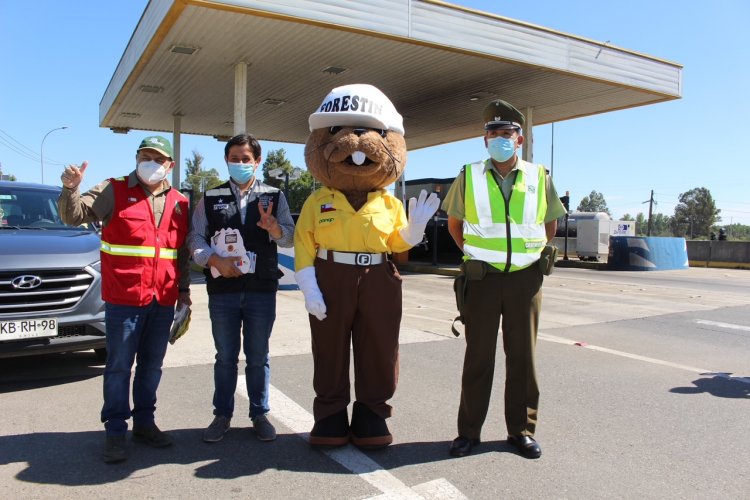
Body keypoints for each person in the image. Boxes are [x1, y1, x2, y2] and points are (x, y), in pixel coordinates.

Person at [442, 100, 566, 459]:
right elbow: (454, 225)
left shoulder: (539, 176)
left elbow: (550, 223)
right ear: (484, 140)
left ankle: (521, 432)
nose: (499, 138)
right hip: (482, 279)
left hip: (525, 281)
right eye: (492, 133)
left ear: (520, 138)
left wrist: (531, 252)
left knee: (523, 358)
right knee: (478, 357)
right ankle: (468, 433)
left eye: (506, 133)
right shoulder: (469, 175)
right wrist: (478, 254)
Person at [57, 135, 191, 464]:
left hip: (163, 298)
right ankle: (115, 431)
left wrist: (184, 294)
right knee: (118, 367)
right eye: (146, 156)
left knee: (151, 367)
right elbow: (73, 216)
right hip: (125, 299)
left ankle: (145, 424)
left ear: (169, 166)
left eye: (159, 159)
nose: (152, 163)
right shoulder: (112, 189)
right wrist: (71, 189)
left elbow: (181, 253)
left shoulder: (179, 201)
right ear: (136, 158)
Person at [187, 133, 294, 444]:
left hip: (261, 290)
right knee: (225, 357)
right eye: (234, 158)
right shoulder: (210, 197)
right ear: (226, 160)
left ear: (257, 162)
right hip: (223, 293)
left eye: (246, 159)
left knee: (258, 356)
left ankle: (260, 414)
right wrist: (213, 260)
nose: (240, 163)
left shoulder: (275, 197)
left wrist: (274, 227)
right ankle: (222, 415)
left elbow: (289, 236)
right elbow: (195, 237)